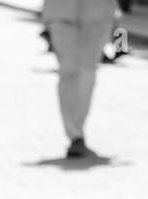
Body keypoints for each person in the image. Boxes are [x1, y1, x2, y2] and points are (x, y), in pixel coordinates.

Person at [41, 0, 120, 157]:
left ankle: (78, 127)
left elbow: (120, 22)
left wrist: (119, 42)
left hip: (97, 14)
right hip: (62, 14)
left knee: (87, 72)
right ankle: (75, 134)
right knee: (69, 71)